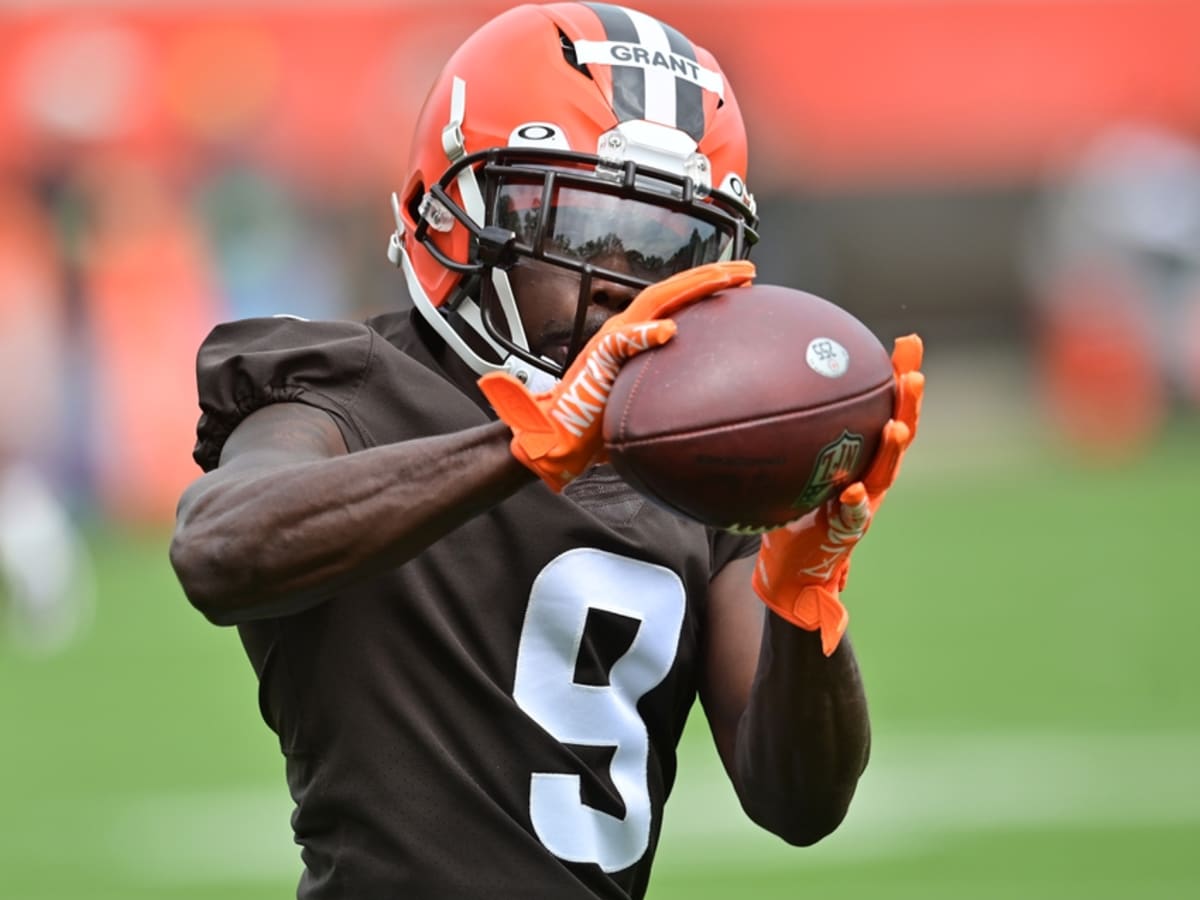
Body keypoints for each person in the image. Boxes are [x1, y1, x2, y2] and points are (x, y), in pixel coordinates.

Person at [169, 4, 924, 898]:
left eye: (670, 247)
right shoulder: (341, 388)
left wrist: (805, 609)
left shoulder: (688, 460)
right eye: (579, 232)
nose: (622, 285)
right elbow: (217, 550)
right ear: (454, 211)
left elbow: (799, 803)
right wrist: (523, 446)